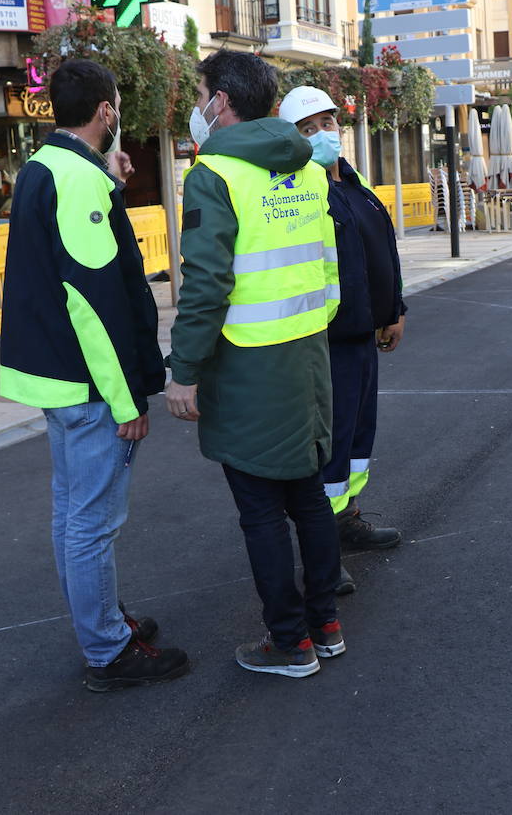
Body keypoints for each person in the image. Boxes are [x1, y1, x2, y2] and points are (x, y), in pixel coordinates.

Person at [0, 58, 186, 693]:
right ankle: (109, 648)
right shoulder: (78, 182)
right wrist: (125, 398)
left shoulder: (45, 168)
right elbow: (92, 304)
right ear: (106, 111)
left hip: (56, 376)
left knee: (74, 515)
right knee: (91, 522)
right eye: (118, 108)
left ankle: (104, 621)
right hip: (87, 385)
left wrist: (110, 178)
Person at [165, 51, 345, 678]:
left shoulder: (214, 173)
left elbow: (206, 281)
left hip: (247, 367)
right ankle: (325, 625)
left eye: (201, 92)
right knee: (310, 497)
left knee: (263, 511)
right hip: (307, 354)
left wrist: (183, 369)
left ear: (221, 102)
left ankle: (289, 643)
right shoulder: (309, 165)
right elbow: (327, 261)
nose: (198, 104)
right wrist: (312, 324)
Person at [279, 85, 407, 595]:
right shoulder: (299, 194)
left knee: (357, 440)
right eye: (307, 129)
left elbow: (383, 254)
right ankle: (323, 547)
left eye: (327, 122)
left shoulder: (356, 186)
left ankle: (347, 519)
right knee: (327, 448)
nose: (323, 134)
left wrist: (395, 309)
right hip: (326, 340)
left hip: (365, 335)